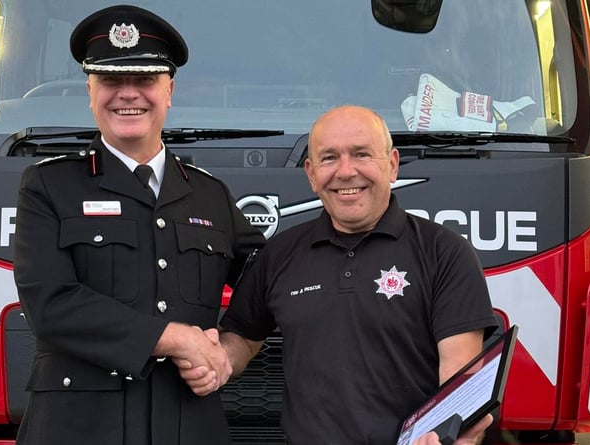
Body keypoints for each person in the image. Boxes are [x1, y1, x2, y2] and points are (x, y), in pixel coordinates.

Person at [12, 5, 264, 445]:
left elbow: (270, 280)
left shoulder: (210, 194)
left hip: (189, 427)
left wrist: (233, 349)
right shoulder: (48, 186)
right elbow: (51, 305)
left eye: (145, 79)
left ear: (169, 90)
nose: (128, 94)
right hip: (79, 428)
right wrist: (176, 339)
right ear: (90, 91)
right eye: (111, 81)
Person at [176, 105, 498, 445]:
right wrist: (214, 360)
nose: (346, 172)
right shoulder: (281, 254)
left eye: (361, 154)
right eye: (329, 158)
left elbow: (460, 382)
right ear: (312, 175)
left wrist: (452, 437)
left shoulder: (444, 252)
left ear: (391, 165)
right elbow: (242, 336)